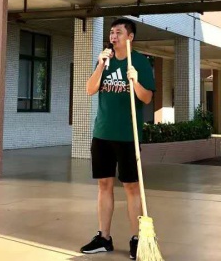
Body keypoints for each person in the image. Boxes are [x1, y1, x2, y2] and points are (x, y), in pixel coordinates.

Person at [80, 18, 155, 260]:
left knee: (131, 187)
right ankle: (104, 237)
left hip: (127, 135)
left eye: (119, 32)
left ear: (130, 37)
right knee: (104, 184)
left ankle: (137, 239)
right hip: (102, 133)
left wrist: (135, 81)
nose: (113, 36)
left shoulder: (140, 62)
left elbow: (146, 98)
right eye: (112, 32)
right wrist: (101, 66)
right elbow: (90, 89)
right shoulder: (106, 60)